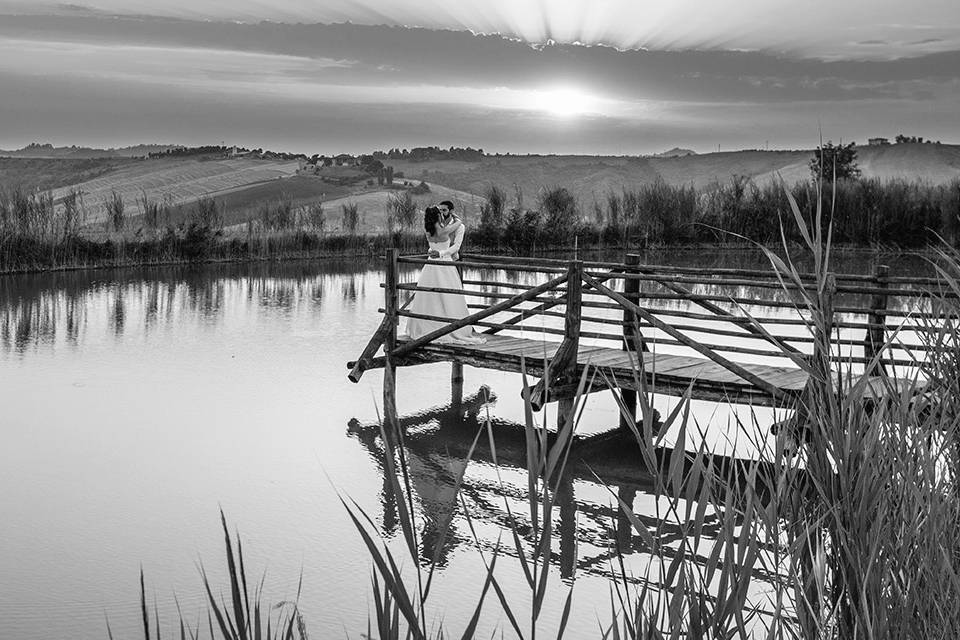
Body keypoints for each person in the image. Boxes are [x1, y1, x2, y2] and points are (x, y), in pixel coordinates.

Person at [404, 206, 486, 344]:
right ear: (438, 216)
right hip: (444, 265)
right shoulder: (444, 230)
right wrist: (455, 216)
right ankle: (452, 326)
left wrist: (433, 250)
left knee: (429, 296)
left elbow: (432, 247)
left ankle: (426, 327)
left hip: (430, 265)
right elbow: (459, 223)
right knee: (449, 296)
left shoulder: (427, 231)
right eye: (439, 213)